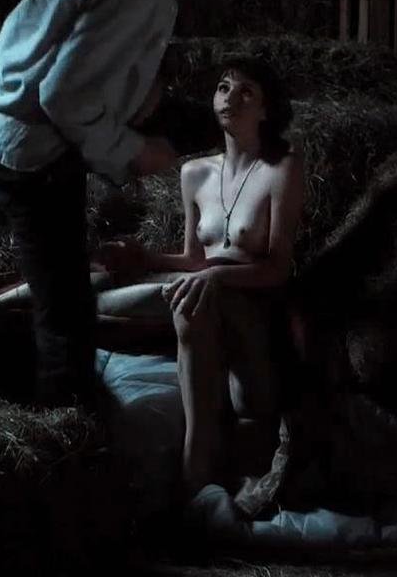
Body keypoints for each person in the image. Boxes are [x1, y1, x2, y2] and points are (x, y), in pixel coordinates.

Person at [0, 0, 219, 409]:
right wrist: (133, 152)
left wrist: (134, 92)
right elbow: (64, 96)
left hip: (19, 134)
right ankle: (67, 424)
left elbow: (24, 30)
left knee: (63, 299)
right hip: (38, 155)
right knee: (67, 315)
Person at [97, 57, 304, 498]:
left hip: (252, 300)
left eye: (247, 92)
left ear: (266, 109)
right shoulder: (195, 173)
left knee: (194, 301)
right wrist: (142, 256)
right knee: (92, 289)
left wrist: (217, 278)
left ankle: (195, 466)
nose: (231, 98)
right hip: (201, 290)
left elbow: (277, 269)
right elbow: (194, 259)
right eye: (224, 88)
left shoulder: (282, 167)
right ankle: (0, 309)